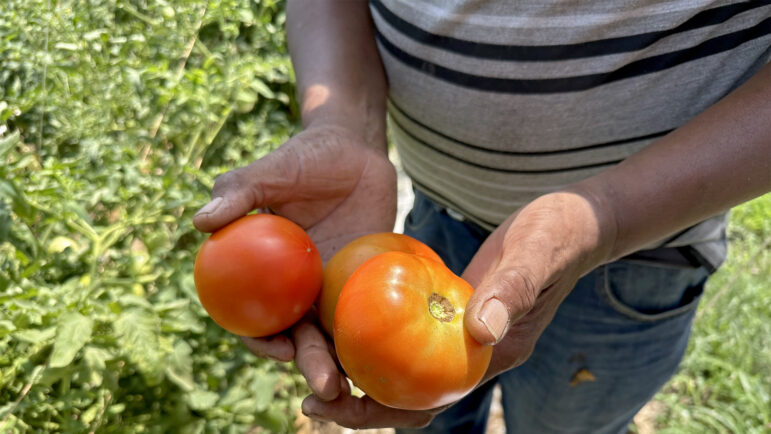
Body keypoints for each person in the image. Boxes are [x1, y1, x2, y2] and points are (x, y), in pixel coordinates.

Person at [193, 1, 771, 432]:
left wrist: (612, 216)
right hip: (432, 227)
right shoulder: (390, 264)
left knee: (566, 423)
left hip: (641, 256)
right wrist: (345, 123)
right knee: (433, 414)